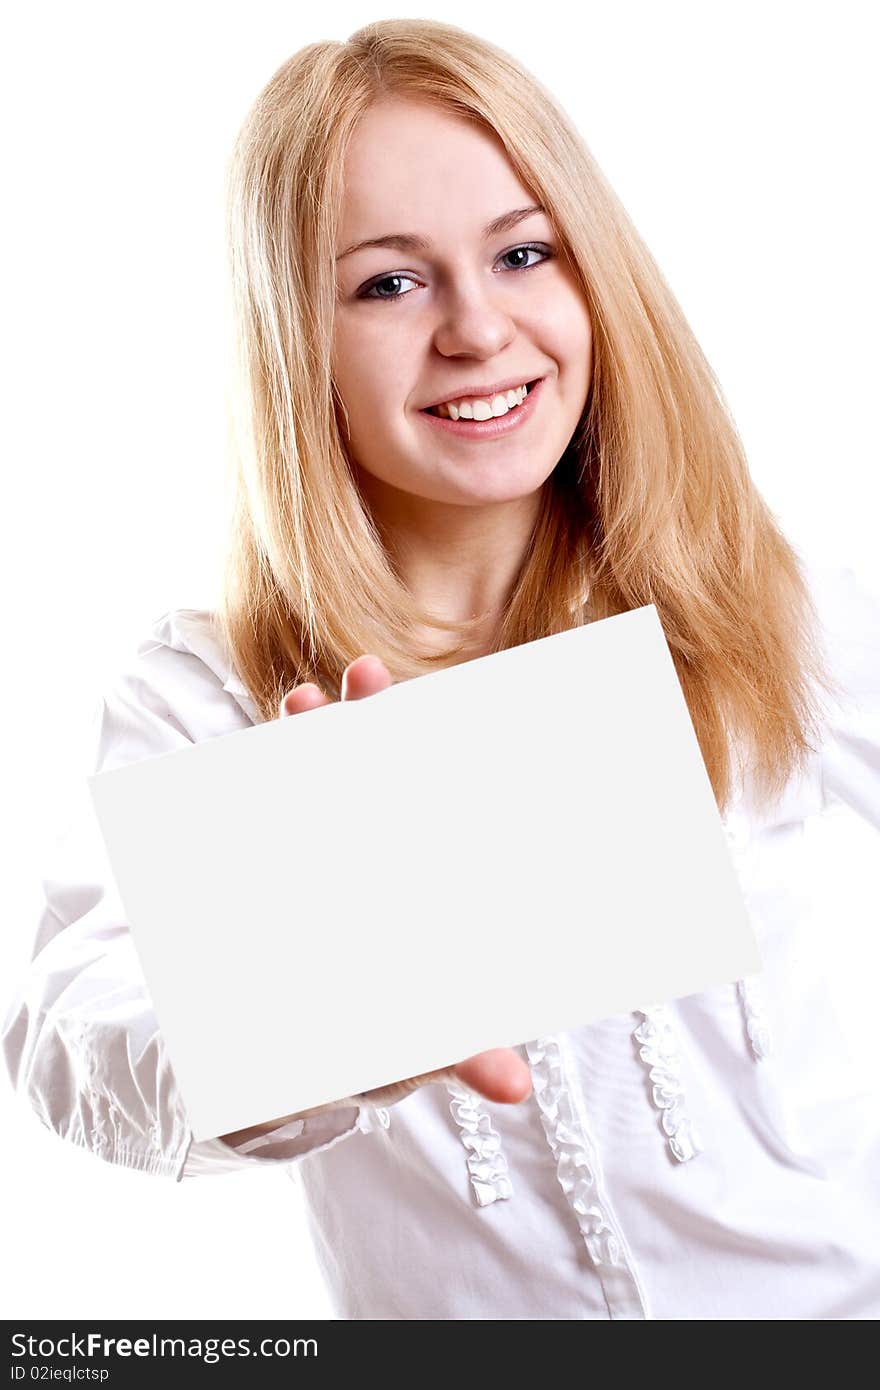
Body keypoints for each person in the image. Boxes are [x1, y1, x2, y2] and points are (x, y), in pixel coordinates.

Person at [3, 17, 879, 1320]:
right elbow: (72, 1039)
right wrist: (318, 1002)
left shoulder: (768, 602)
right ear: (294, 336)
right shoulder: (208, 693)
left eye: (524, 253)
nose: (479, 328)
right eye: (388, 283)